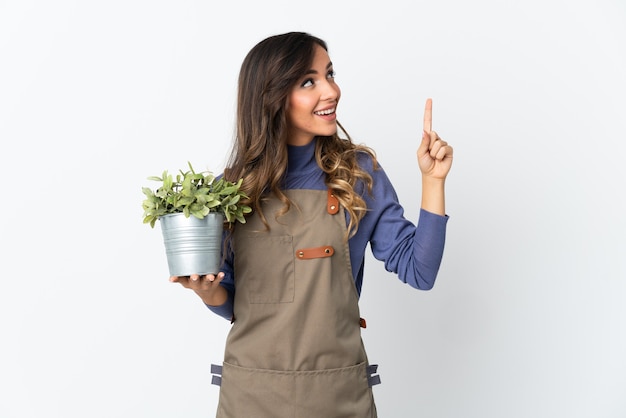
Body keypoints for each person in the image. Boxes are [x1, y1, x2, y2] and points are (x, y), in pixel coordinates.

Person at [170, 31, 453, 418]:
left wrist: (433, 182)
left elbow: (420, 272)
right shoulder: (232, 190)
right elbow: (236, 301)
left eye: (330, 74)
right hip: (252, 396)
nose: (331, 90)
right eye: (309, 81)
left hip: (337, 395)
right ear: (273, 97)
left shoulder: (358, 175)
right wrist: (207, 293)